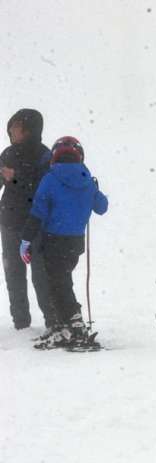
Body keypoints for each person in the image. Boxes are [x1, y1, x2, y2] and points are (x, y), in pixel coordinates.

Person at [20, 136, 108, 350]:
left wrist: (25, 239)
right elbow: (102, 207)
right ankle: (64, 325)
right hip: (75, 243)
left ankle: (73, 325)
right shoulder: (87, 180)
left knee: (57, 284)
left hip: (53, 240)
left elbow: (37, 212)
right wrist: (93, 189)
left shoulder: (50, 179)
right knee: (61, 281)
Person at [0, 109, 55, 331]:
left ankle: (52, 321)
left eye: (14, 126)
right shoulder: (8, 153)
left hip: (36, 225)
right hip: (10, 222)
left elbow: (43, 191)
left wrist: (15, 178)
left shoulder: (45, 156)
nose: (10, 130)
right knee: (14, 275)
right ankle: (21, 324)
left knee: (41, 275)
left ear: (27, 129)